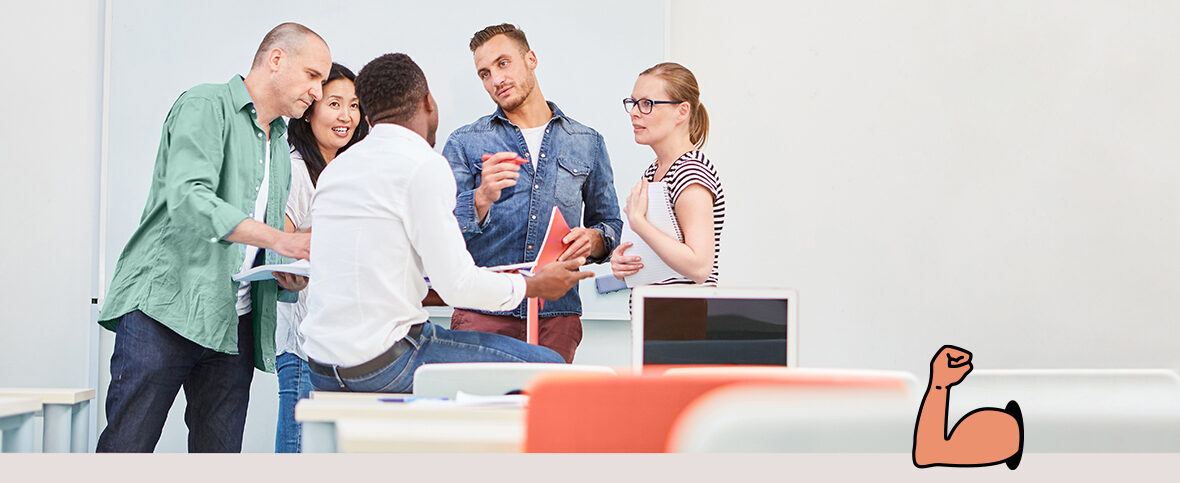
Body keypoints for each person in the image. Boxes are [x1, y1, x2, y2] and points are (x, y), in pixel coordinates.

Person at [96, 23, 328, 452]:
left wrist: (283, 274)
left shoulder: (279, 141)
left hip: (231, 323)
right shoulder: (205, 104)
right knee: (126, 450)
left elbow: (249, 243)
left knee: (217, 461)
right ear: (276, 60)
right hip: (164, 311)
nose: (317, 91)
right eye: (313, 75)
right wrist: (281, 241)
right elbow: (188, 198)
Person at [299, 53, 590, 394]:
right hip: (386, 361)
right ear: (428, 103)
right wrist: (536, 286)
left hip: (322, 365)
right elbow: (457, 286)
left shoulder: (338, 169)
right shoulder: (423, 164)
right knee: (553, 369)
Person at [443, 24, 623, 363]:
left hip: (557, 316)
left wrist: (595, 240)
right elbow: (440, 229)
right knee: (475, 415)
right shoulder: (464, 142)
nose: (495, 79)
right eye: (484, 73)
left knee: (547, 416)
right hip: (484, 311)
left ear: (531, 59)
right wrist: (481, 197)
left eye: (503, 63)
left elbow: (609, 223)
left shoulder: (588, 141)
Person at [274, 62, 368, 453]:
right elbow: (280, 241)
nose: (346, 116)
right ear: (311, 108)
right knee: (300, 452)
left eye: (355, 105)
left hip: (344, 342)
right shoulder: (297, 167)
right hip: (304, 343)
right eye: (334, 103)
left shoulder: (348, 170)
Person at [610, 63, 725, 287]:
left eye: (646, 104)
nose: (634, 112)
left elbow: (699, 267)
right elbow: (663, 258)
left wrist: (639, 224)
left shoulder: (691, 171)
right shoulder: (654, 172)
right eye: (633, 103)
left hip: (685, 319)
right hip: (657, 319)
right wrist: (623, 265)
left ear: (682, 111)